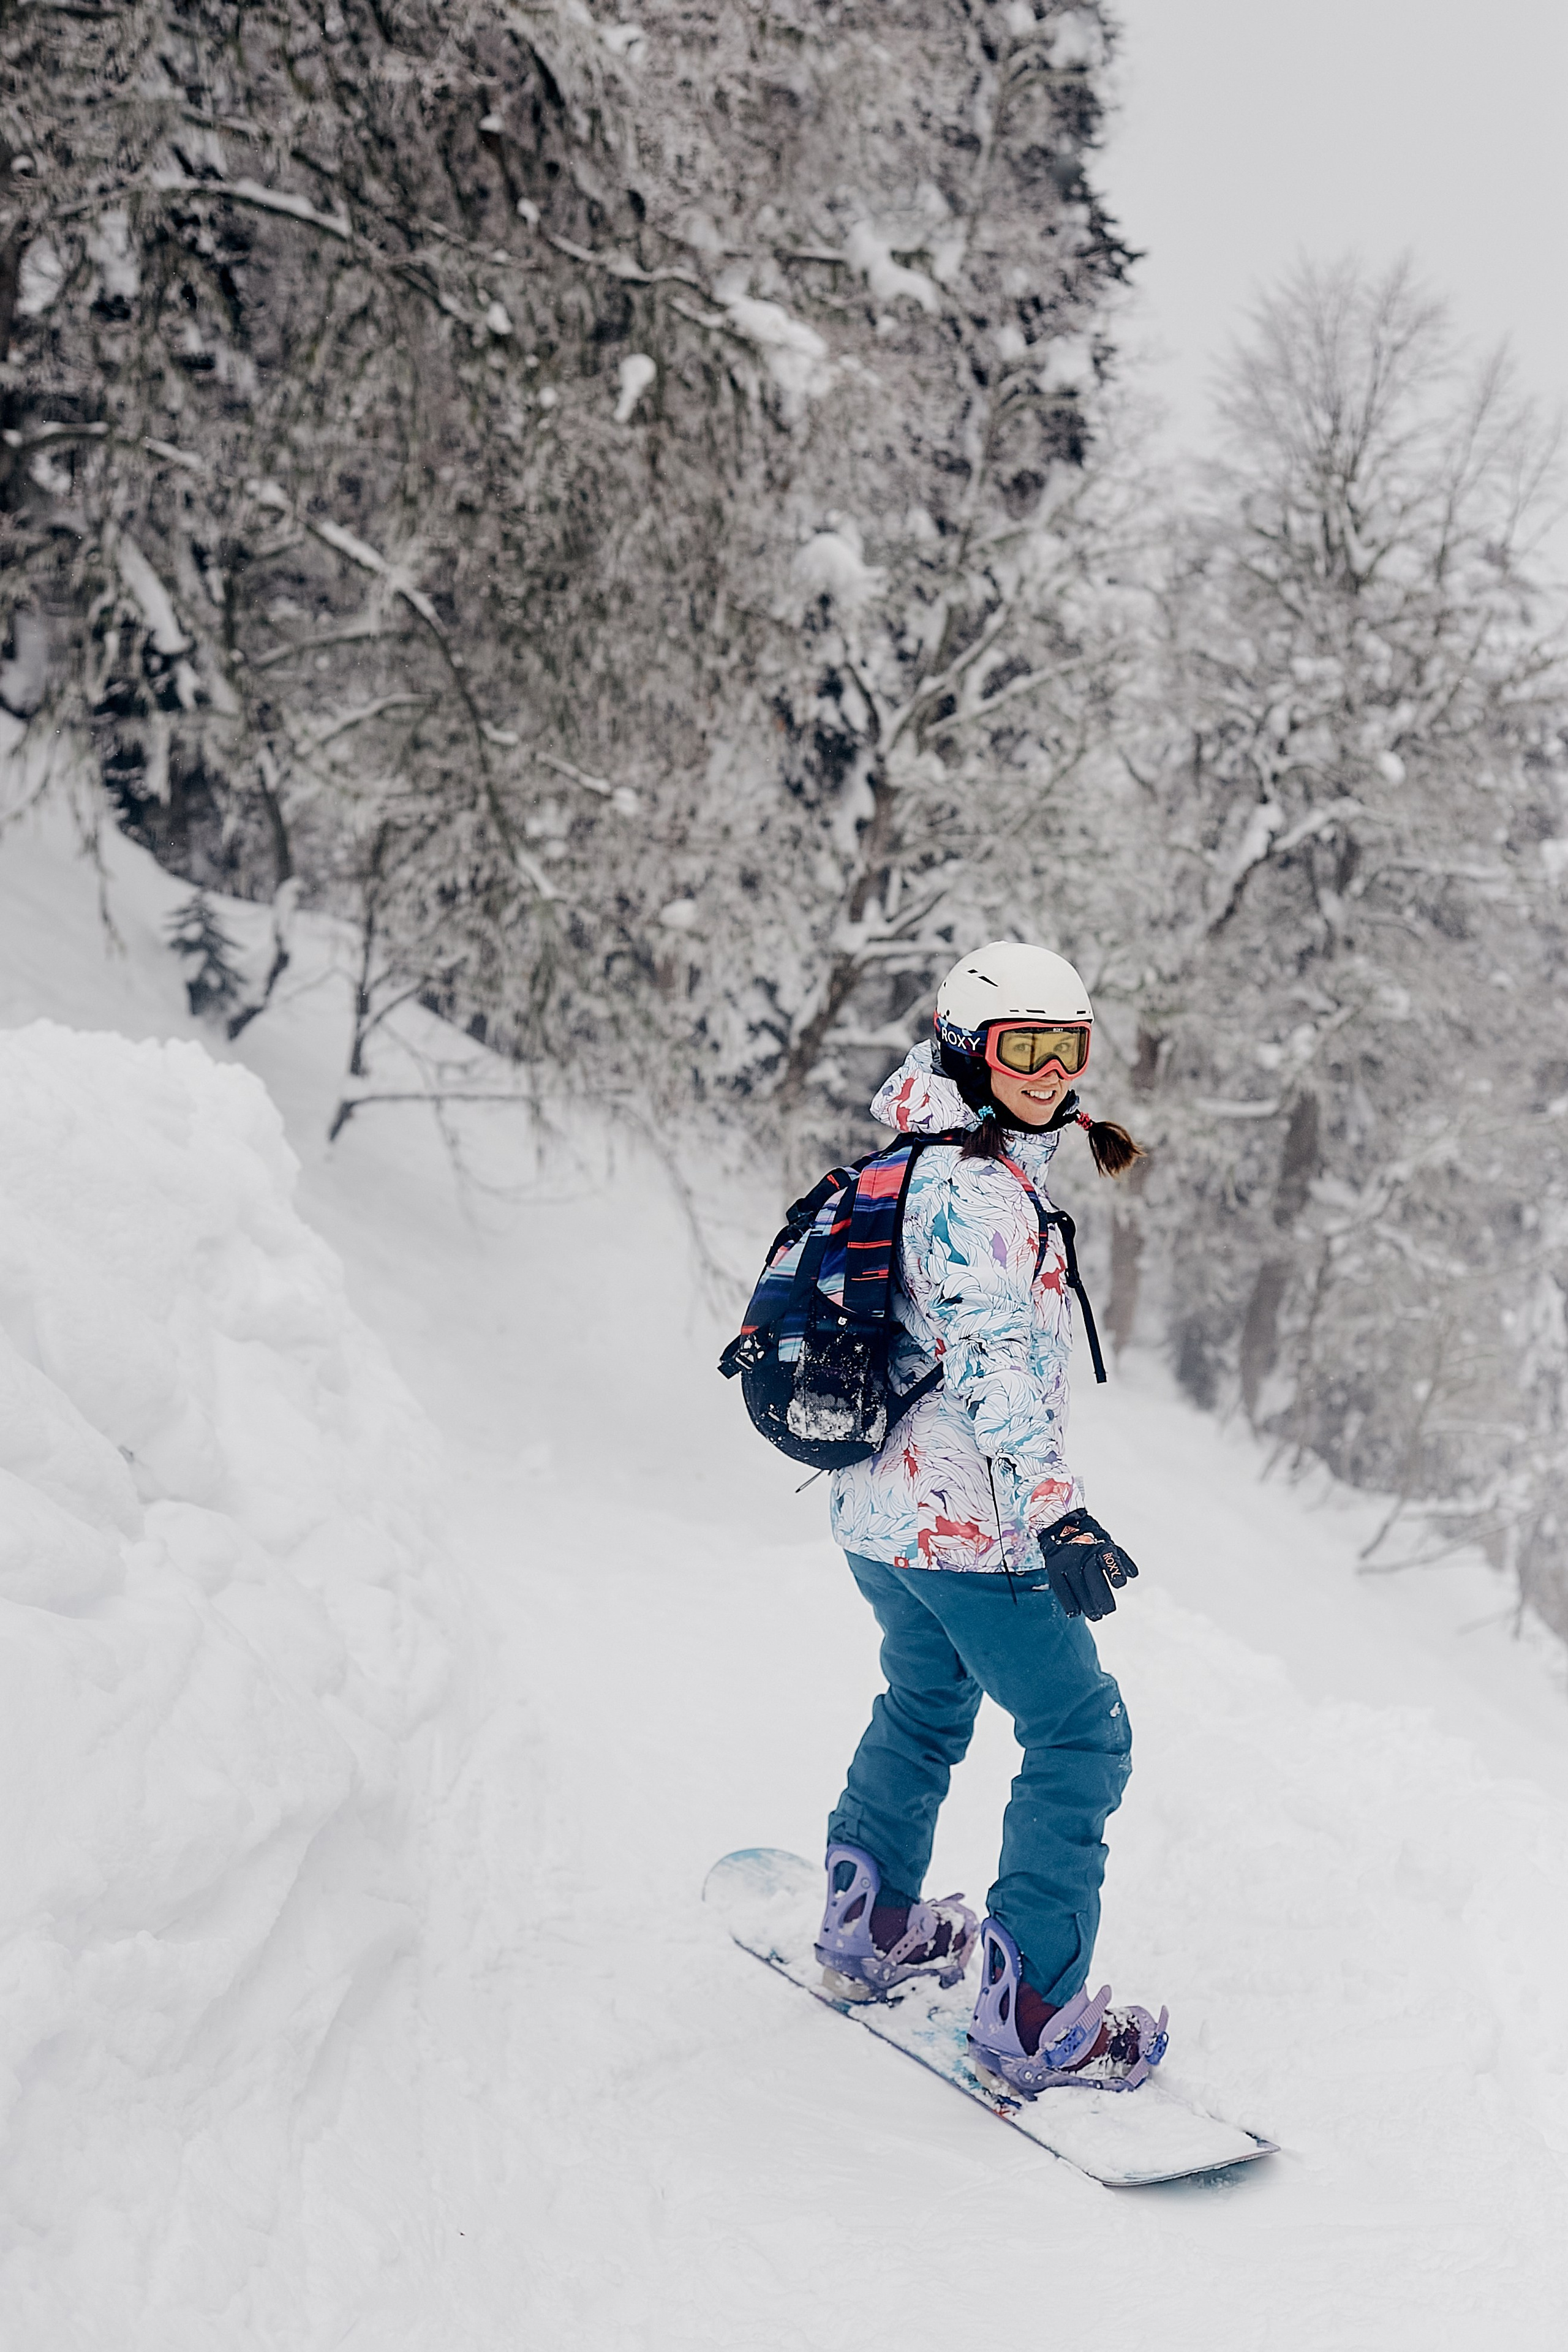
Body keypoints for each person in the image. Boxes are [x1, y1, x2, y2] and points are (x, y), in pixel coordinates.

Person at [815, 940, 1169, 2096]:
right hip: (969, 1528)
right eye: (1024, 1049)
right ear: (971, 1048)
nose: (1049, 1074)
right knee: (1079, 1735)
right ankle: (1034, 2017)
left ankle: (870, 1926)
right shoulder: (975, 1192)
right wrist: (1057, 1517)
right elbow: (999, 1366)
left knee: (924, 1703)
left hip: (881, 1517)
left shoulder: (922, 1160)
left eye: (1067, 1050)